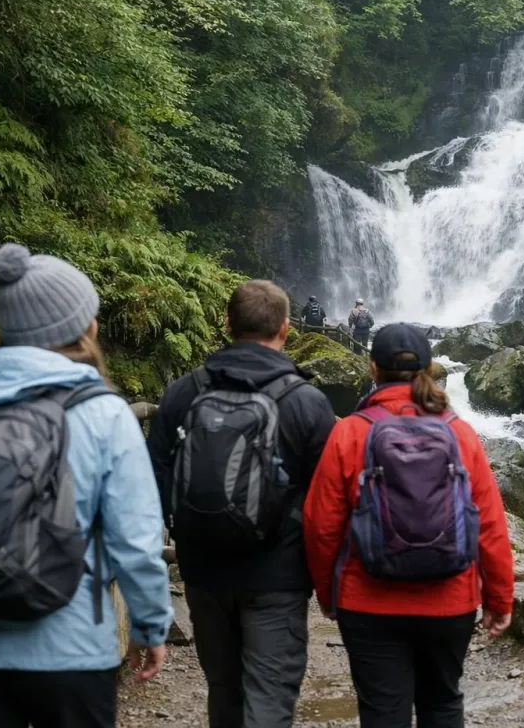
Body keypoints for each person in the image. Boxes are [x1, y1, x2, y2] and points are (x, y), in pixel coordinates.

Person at [0, 243, 172, 728]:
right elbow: (136, 539)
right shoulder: (103, 412)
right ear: (82, 327)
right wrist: (150, 624)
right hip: (71, 647)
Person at [304, 323, 515, 728]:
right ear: (430, 369)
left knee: (382, 710)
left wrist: (329, 594)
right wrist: (499, 599)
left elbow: (321, 525)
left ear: (372, 368)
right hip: (450, 600)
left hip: (366, 600)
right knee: (443, 703)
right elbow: (489, 523)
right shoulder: (459, 433)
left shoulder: (350, 432)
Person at [148, 280, 337, 728]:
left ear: (227, 324)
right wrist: (326, 581)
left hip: (203, 572)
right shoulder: (308, 402)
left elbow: (154, 478)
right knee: (269, 699)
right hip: (278, 577)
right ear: (286, 328)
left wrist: (185, 533)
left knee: (224, 691)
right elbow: (329, 503)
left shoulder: (182, 393)